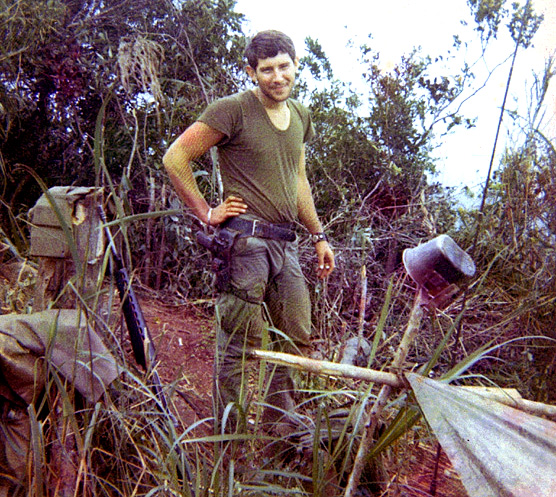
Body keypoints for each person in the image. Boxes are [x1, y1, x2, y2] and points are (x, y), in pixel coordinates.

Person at [163, 30, 335, 437]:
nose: (277, 77)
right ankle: (230, 442)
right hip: (244, 244)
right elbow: (176, 157)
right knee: (239, 345)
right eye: (266, 70)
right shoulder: (233, 110)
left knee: (295, 337)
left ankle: (279, 433)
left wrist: (318, 235)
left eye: (283, 67)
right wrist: (207, 212)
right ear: (252, 72)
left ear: (295, 65)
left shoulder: (300, 115)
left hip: (285, 243)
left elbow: (298, 180)